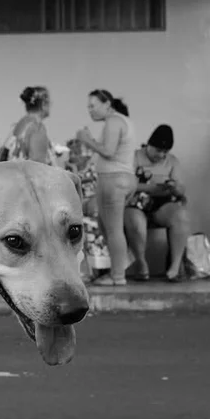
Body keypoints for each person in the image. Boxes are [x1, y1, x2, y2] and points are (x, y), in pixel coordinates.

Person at [76, 89, 137, 286]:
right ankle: (116, 272)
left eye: (93, 106)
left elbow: (109, 152)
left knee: (113, 229)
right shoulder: (121, 121)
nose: (90, 110)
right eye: (88, 107)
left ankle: (118, 275)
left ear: (107, 104)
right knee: (106, 226)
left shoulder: (114, 121)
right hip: (120, 178)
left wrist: (86, 140)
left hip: (114, 179)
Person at [124, 125, 191, 282]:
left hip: (162, 204)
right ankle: (141, 264)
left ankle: (174, 268)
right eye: (158, 150)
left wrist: (175, 187)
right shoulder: (133, 157)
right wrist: (150, 187)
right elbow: (126, 185)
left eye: (164, 152)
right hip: (136, 203)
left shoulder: (172, 161)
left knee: (181, 216)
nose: (161, 155)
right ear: (149, 144)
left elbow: (181, 188)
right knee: (135, 219)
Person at [0, 86, 54, 164]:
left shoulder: (17, 126)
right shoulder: (37, 127)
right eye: (49, 101)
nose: (51, 104)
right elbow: (37, 164)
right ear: (43, 104)